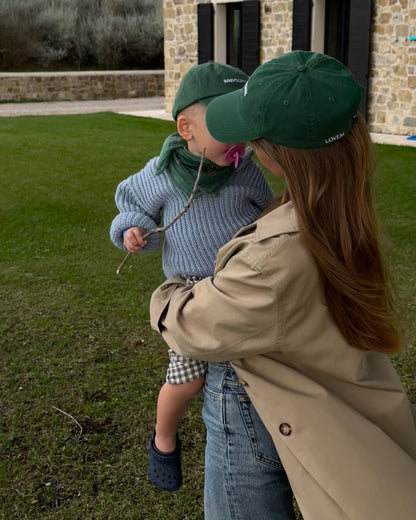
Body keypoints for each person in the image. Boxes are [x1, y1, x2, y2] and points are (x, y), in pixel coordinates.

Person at [150, 51, 416, 520]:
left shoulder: (273, 260)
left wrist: (172, 289)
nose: (248, 143)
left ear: (275, 155)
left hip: (254, 406)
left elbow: (191, 325)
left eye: (255, 134)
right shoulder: (340, 213)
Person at [110, 61, 275, 492]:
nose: (238, 139)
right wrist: (130, 232)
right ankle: (164, 438)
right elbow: (131, 205)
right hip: (190, 297)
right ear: (186, 127)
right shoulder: (164, 174)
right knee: (188, 379)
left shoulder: (245, 170)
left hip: (238, 289)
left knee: (250, 369)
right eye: (225, 126)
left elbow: (267, 211)